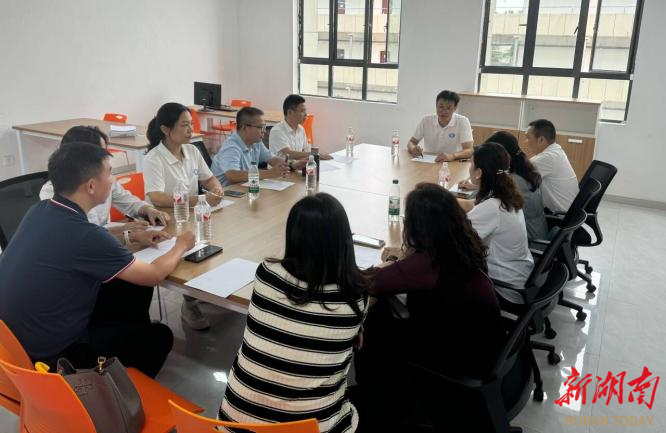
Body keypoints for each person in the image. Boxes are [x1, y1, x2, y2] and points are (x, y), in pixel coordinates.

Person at [0, 142, 196, 378]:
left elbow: (84, 243)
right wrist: (181, 244)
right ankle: (112, 392)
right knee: (159, 337)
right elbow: (153, 276)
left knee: (128, 286)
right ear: (91, 186)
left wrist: (131, 236)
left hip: (14, 343)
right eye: (110, 173)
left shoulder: (40, 210)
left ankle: (125, 334)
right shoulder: (84, 234)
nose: (113, 181)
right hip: (54, 361)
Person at [353, 183, 502, 431]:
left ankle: (376, 402)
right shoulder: (463, 246)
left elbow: (369, 283)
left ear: (417, 227)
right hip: (481, 352)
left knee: (376, 317)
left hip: (455, 366)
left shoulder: (428, 263)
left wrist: (394, 260)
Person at [218, 193, 371, 433]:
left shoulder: (267, 274)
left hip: (233, 425)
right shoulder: (355, 298)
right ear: (344, 239)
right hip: (311, 427)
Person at [40, 125, 171, 329]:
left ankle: (135, 327)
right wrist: (130, 234)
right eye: (103, 156)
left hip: (87, 259)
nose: (109, 164)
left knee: (134, 279)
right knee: (136, 281)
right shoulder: (53, 198)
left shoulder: (96, 182)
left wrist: (147, 209)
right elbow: (88, 235)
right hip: (73, 300)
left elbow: (126, 201)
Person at [143, 102, 225, 331]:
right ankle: (190, 303)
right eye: (184, 125)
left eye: (191, 124)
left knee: (216, 240)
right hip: (168, 221)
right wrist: (198, 200)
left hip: (192, 215)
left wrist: (216, 188)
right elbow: (156, 197)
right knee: (191, 254)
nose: (191, 130)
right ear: (166, 129)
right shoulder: (154, 158)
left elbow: (209, 178)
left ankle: (204, 291)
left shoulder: (192, 151)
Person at [40, 125, 170, 242]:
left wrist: (148, 209)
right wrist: (126, 232)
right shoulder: (53, 193)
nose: (107, 158)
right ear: (82, 156)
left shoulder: (103, 179)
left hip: (104, 240)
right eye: (103, 153)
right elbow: (85, 237)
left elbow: (128, 201)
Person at [458, 142, 534, 303]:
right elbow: (474, 207)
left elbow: (456, 241)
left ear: (478, 173)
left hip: (504, 287)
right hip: (519, 275)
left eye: (471, 163)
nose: (469, 167)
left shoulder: (492, 207)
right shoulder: (507, 194)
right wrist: (445, 199)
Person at [459, 131, 548, 241]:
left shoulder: (513, 183)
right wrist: (477, 186)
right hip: (532, 233)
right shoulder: (518, 174)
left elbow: (480, 208)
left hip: (532, 239)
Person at [211, 106, 289, 186]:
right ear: (244, 127)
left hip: (245, 187)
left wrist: (289, 165)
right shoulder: (231, 147)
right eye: (260, 127)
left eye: (264, 127)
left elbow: (272, 159)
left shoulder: (256, 143)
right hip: (226, 191)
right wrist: (269, 173)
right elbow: (232, 175)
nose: (264, 131)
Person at [525, 119, 579, 213]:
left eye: (528, 138)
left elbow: (518, 176)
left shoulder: (548, 157)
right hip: (569, 211)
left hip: (559, 215)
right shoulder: (555, 151)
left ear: (541, 139)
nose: (526, 142)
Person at [407, 90, 473, 162]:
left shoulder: (462, 121)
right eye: (441, 107)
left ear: (455, 108)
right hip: (429, 161)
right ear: (436, 105)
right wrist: (413, 149)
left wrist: (453, 156)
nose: (444, 111)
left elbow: (469, 150)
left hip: (453, 162)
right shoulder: (426, 120)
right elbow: (411, 142)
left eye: (448, 108)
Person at [269, 94, 331, 161]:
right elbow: (289, 154)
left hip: (297, 166)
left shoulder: (301, 129)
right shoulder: (277, 131)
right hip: (282, 167)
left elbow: (305, 152)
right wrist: (315, 154)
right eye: (302, 111)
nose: (306, 114)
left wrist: (316, 156)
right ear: (290, 112)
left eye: (305, 111)